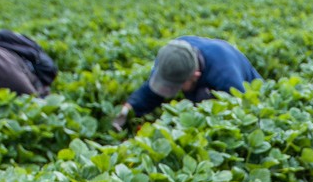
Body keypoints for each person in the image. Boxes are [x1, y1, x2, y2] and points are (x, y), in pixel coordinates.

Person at [111, 36, 260, 131]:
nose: (172, 90)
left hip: (251, 91)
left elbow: (245, 113)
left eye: (177, 85)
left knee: (205, 98)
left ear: (196, 75)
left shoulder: (226, 76)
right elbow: (152, 92)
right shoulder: (172, 55)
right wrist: (128, 109)